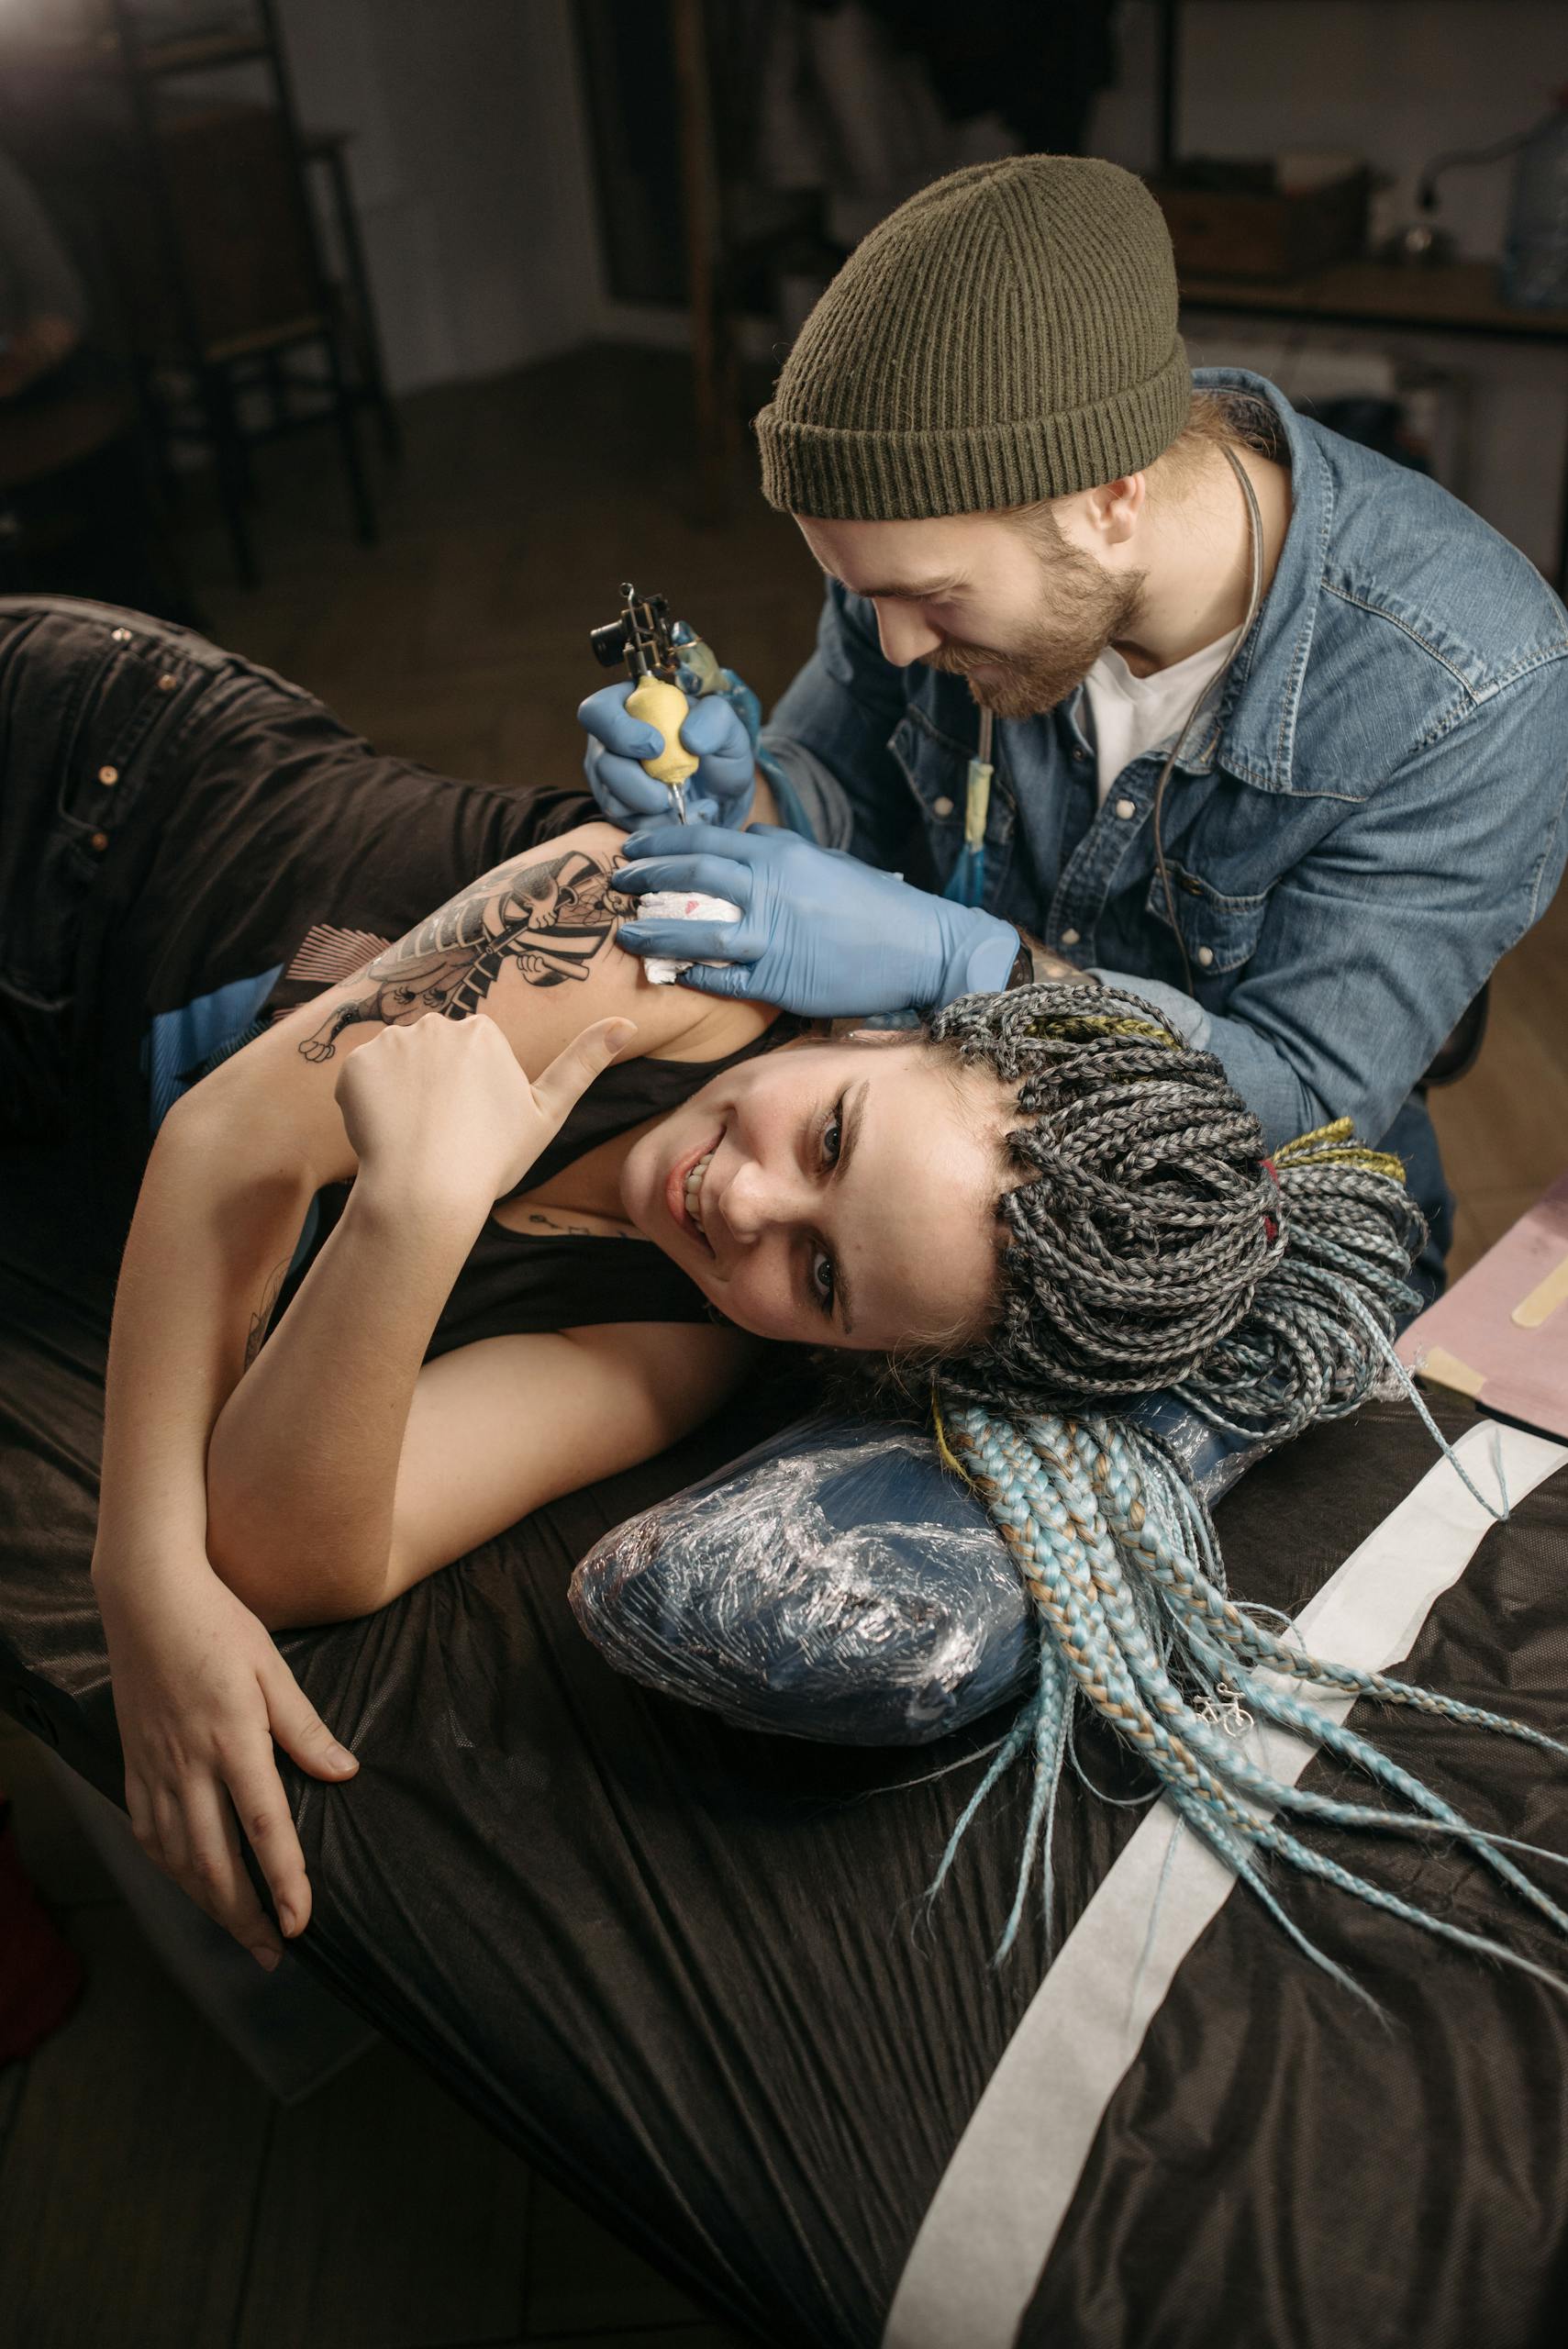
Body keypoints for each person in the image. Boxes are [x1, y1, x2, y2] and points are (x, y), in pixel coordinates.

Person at [4, 594, 1554, 2010]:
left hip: (57, 1105)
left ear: (862, 1356)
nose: (739, 1206)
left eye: (819, 1275)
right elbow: (225, 1141)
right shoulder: (652, 944)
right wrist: (144, 1577)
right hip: (89, 795)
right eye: (828, 1140)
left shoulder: (675, 1350)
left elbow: (297, 1556)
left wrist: (405, 1230)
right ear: (879, 1028)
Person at [580, 154, 1568, 1319]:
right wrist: (744, 797)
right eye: (859, 592)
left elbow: (1299, 1105)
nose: (894, 643)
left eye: (929, 597)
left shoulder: (1471, 686)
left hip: (1246, 1249)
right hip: (914, 1214)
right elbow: (838, 782)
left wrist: (974, 967)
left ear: (1110, 496)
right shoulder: (922, 557)